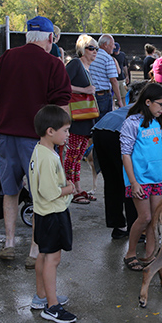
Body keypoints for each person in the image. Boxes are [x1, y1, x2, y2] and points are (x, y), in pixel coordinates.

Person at [0, 15, 71, 267]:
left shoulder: (6, 58)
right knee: (41, 195)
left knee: (9, 190)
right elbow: (62, 106)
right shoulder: (53, 64)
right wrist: (61, 137)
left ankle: (9, 243)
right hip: (36, 140)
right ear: (49, 38)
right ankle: (35, 249)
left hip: (5, 135)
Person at [119, 83, 162, 272]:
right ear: (147, 102)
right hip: (139, 179)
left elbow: (161, 148)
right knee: (144, 217)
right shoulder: (131, 122)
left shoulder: (157, 122)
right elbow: (126, 154)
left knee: (155, 218)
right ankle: (130, 253)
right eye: (160, 104)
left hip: (155, 179)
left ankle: (151, 254)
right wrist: (134, 182)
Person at [28, 105, 76, 323]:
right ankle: (52, 306)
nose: (68, 134)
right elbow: (49, 192)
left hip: (42, 214)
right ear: (50, 131)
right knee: (52, 259)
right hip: (52, 214)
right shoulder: (48, 157)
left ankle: (42, 296)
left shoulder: (41, 150)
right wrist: (69, 188)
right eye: (65, 130)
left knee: (43, 255)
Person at [64, 34, 99, 203]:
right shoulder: (76, 64)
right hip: (77, 118)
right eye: (91, 48)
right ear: (82, 49)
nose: (95, 52)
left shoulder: (86, 68)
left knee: (78, 156)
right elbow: (62, 85)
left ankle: (77, 187)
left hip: (86, 117)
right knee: (72, 155)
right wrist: (84, 90)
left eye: (96, 49)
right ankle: (69, 188)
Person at [92, 34, 122, 115]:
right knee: (104, 122)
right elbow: (114, 80)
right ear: (105, 45)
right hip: (103, 96)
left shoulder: (91, 56)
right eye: (112, 44)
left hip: (92, 95)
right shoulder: (107, 58)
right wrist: (119, 100)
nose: (114, 47)